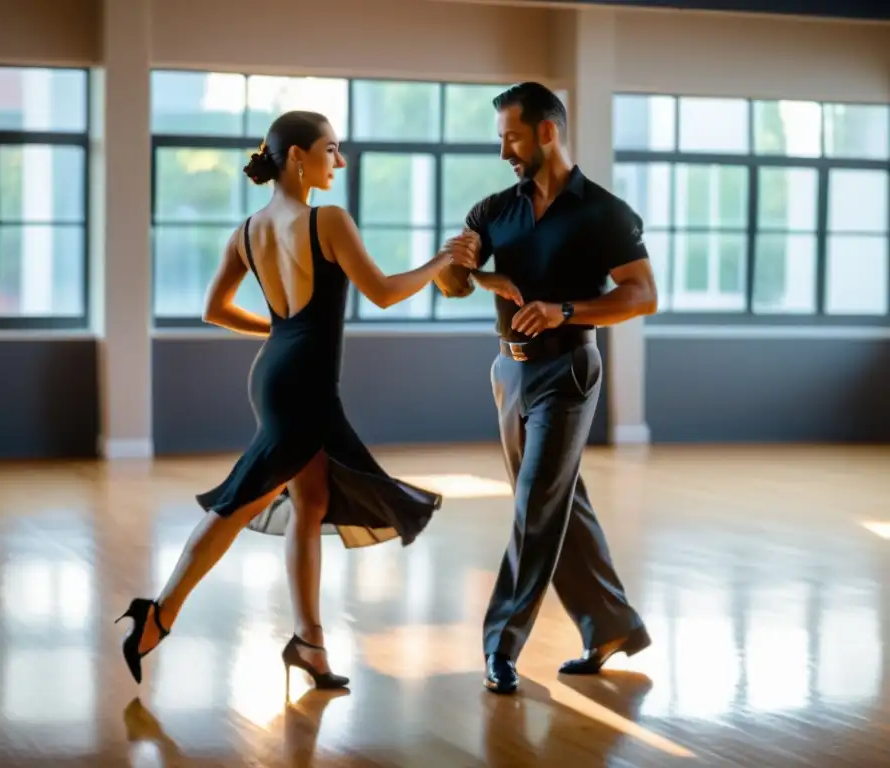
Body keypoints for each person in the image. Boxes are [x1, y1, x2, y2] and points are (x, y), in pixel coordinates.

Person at [117, 110, 463, 692]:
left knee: (312, 500)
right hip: (303, 383)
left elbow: (214, 310)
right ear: (298, 157)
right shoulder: (327, 221)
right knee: (243, 498)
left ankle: (310, 643)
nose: (340, 161)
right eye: (331, 149)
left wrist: (280, 336)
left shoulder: (247, 230)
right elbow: (380, 293)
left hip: (276, 372)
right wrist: (441, 262)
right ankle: (160, 612)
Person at [435, 82, 658, 694]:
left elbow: (643, 295)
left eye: (512, 136)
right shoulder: (492, 210)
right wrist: (464, 268)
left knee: (536, 503)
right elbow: (453, 285)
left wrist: (566, 310)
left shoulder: (603, 212)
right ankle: (610, 625)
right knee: (560, 503)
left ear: (547, 132)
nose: (504, 148)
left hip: (568, 371)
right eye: (501, 137)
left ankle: (499, 645)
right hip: (508, 372)